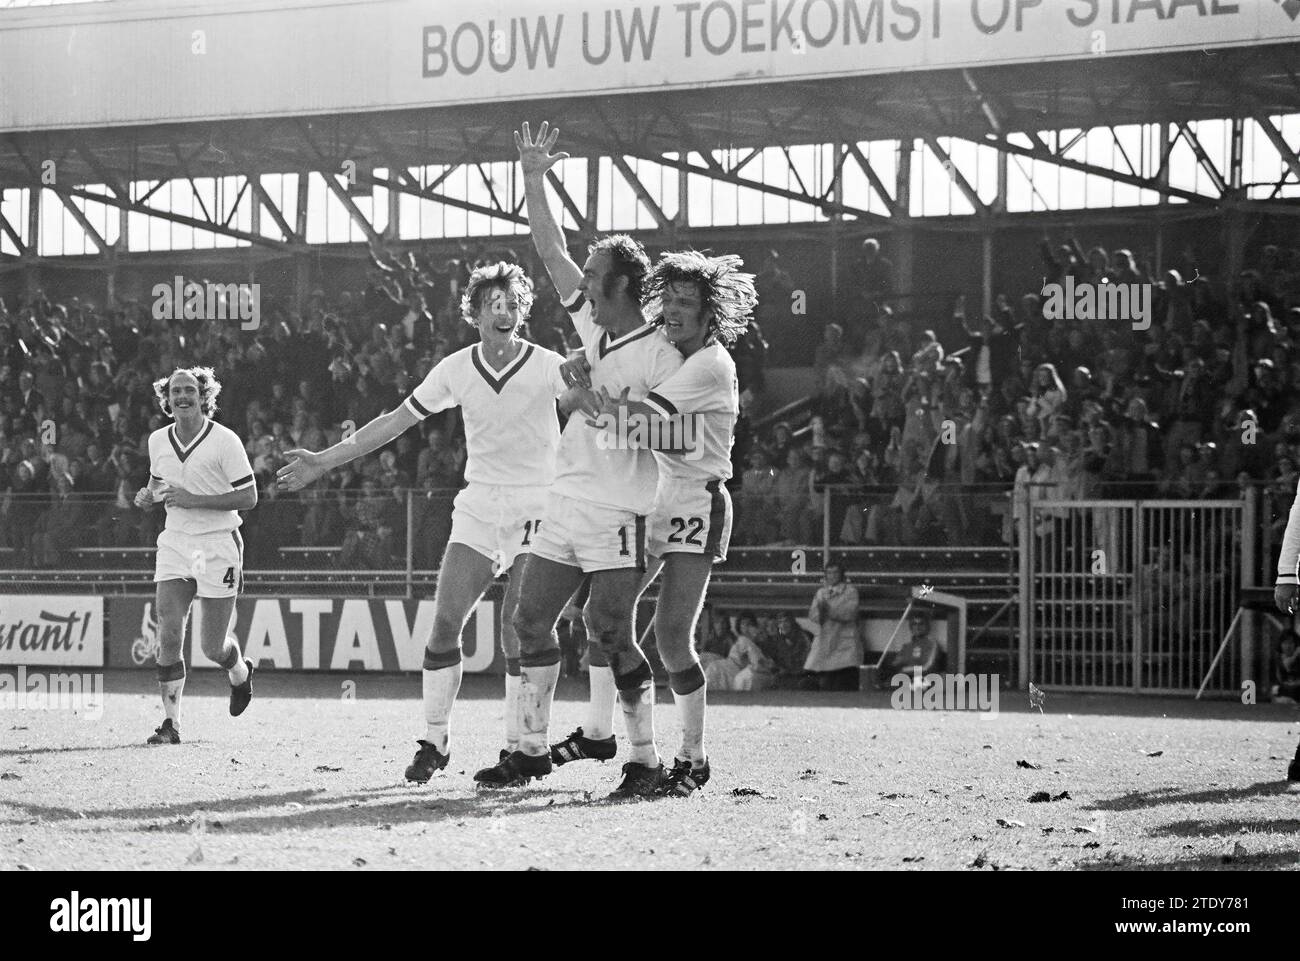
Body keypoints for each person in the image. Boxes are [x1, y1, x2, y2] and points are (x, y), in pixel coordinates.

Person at [277, 262, 571, 782]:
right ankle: (435, 742)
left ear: (522, 312)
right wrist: (324, 459)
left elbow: (584, 402)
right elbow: (395, 421)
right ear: (475, 313)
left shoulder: (547, 365)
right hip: (479, 506)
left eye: (512, 303)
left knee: (517, 630)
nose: (503, 312)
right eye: (492, 304)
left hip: (538, 508)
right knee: (442, 627)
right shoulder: (456, 368)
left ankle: (523, 748)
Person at [473, 122, 684, 796]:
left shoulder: (660, 351)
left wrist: (589, 400)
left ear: (622, 284)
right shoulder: (593, 325)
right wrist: (535, 179)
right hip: (565, 498)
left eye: (594, 278)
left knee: (608, 631)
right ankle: (531, 750)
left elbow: (663, 434)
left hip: (620, 508)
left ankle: (645, 760)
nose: (582, 285)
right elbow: (549, 245)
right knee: (527, 619)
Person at [580, 249, 756, 795]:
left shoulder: (708, 365)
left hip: (697, 503)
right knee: (604, 616)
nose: (674, 311)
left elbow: (640, 420)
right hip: (655, 497)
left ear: (710, 316)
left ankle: (693, 758)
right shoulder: (671, 352)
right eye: (670, 299)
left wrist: (581, 398)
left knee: (672, 638)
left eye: (687, 304)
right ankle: (610, 738)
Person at [133, 367, 257, 745]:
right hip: (175, 543)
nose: (182, 396)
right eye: (175, 391)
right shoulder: (157, 439)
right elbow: (158, 482)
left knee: (211, 646)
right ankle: (171, 724)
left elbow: (249, 497)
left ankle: (239, 670)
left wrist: (195, 500)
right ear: (166, 399)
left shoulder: (225, 441)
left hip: (217, 545)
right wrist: (147, 495)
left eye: (189, 389)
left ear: (204, 396)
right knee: (168, 630)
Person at [804, 561, 862, 690]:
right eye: (829, 573)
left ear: (841, 574)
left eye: (835, 572)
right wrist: (822, 613)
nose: (832, 576)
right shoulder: (821, 592)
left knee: (844, 682)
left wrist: (829, 611)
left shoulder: (850, 591)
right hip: (826, 639)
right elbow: (813, 614)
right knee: (826, 683)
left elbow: (850, 613)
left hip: (845, 640)